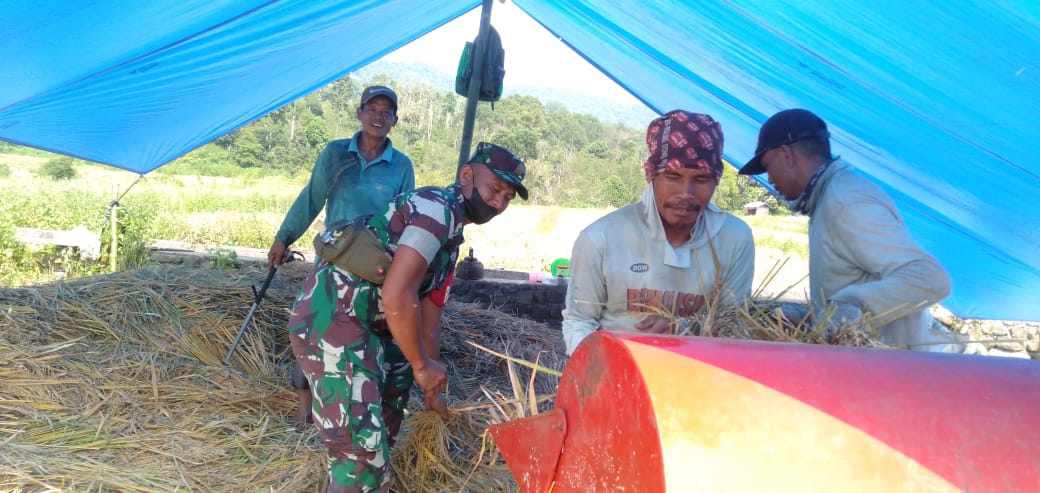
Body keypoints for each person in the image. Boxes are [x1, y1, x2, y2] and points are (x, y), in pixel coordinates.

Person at [288, 142, 527, 492]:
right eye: (495, 189)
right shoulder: (436, 210)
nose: (498, 203)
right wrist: (421, 366)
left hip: (371, 327)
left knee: (384, 424)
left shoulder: (452, 238)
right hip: (334, 320)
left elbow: (430, 315)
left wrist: (431, 383)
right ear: (466, 175)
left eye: (507, 198)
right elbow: (397, 296)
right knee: (361, 455)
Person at [738, 108, 954, 350]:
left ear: (787, 155)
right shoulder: (828, 200)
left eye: (768, 166)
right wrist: (810, 318)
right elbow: (852, 282)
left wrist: (848, 307)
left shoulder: (847, 203)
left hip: (886, 372)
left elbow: (929, 279)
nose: (769, 179)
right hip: (861, 367)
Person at [266, 85, 415, 425]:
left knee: (364, 336)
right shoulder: (335, 154)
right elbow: (312, 198)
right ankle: (305, 403)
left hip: (373, 268)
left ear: (394, 120)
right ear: (359, 113)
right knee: (311, 327)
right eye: (372, 109)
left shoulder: (401, 166)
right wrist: (283, 237)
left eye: (386, 112)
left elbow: (406, 217)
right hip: (333, 260)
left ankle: (355, 406)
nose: (379, 116)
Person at [561, 110, 756, 356]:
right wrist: (598, 373)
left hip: (698, 374)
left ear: (717, 180)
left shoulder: (734, 239)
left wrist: (686, 329)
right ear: (651, 174)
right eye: (672, 176)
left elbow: (735, 326)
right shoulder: (600, 238)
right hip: (614, 374)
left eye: (701, 178)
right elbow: (579, 320)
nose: (686, 192)